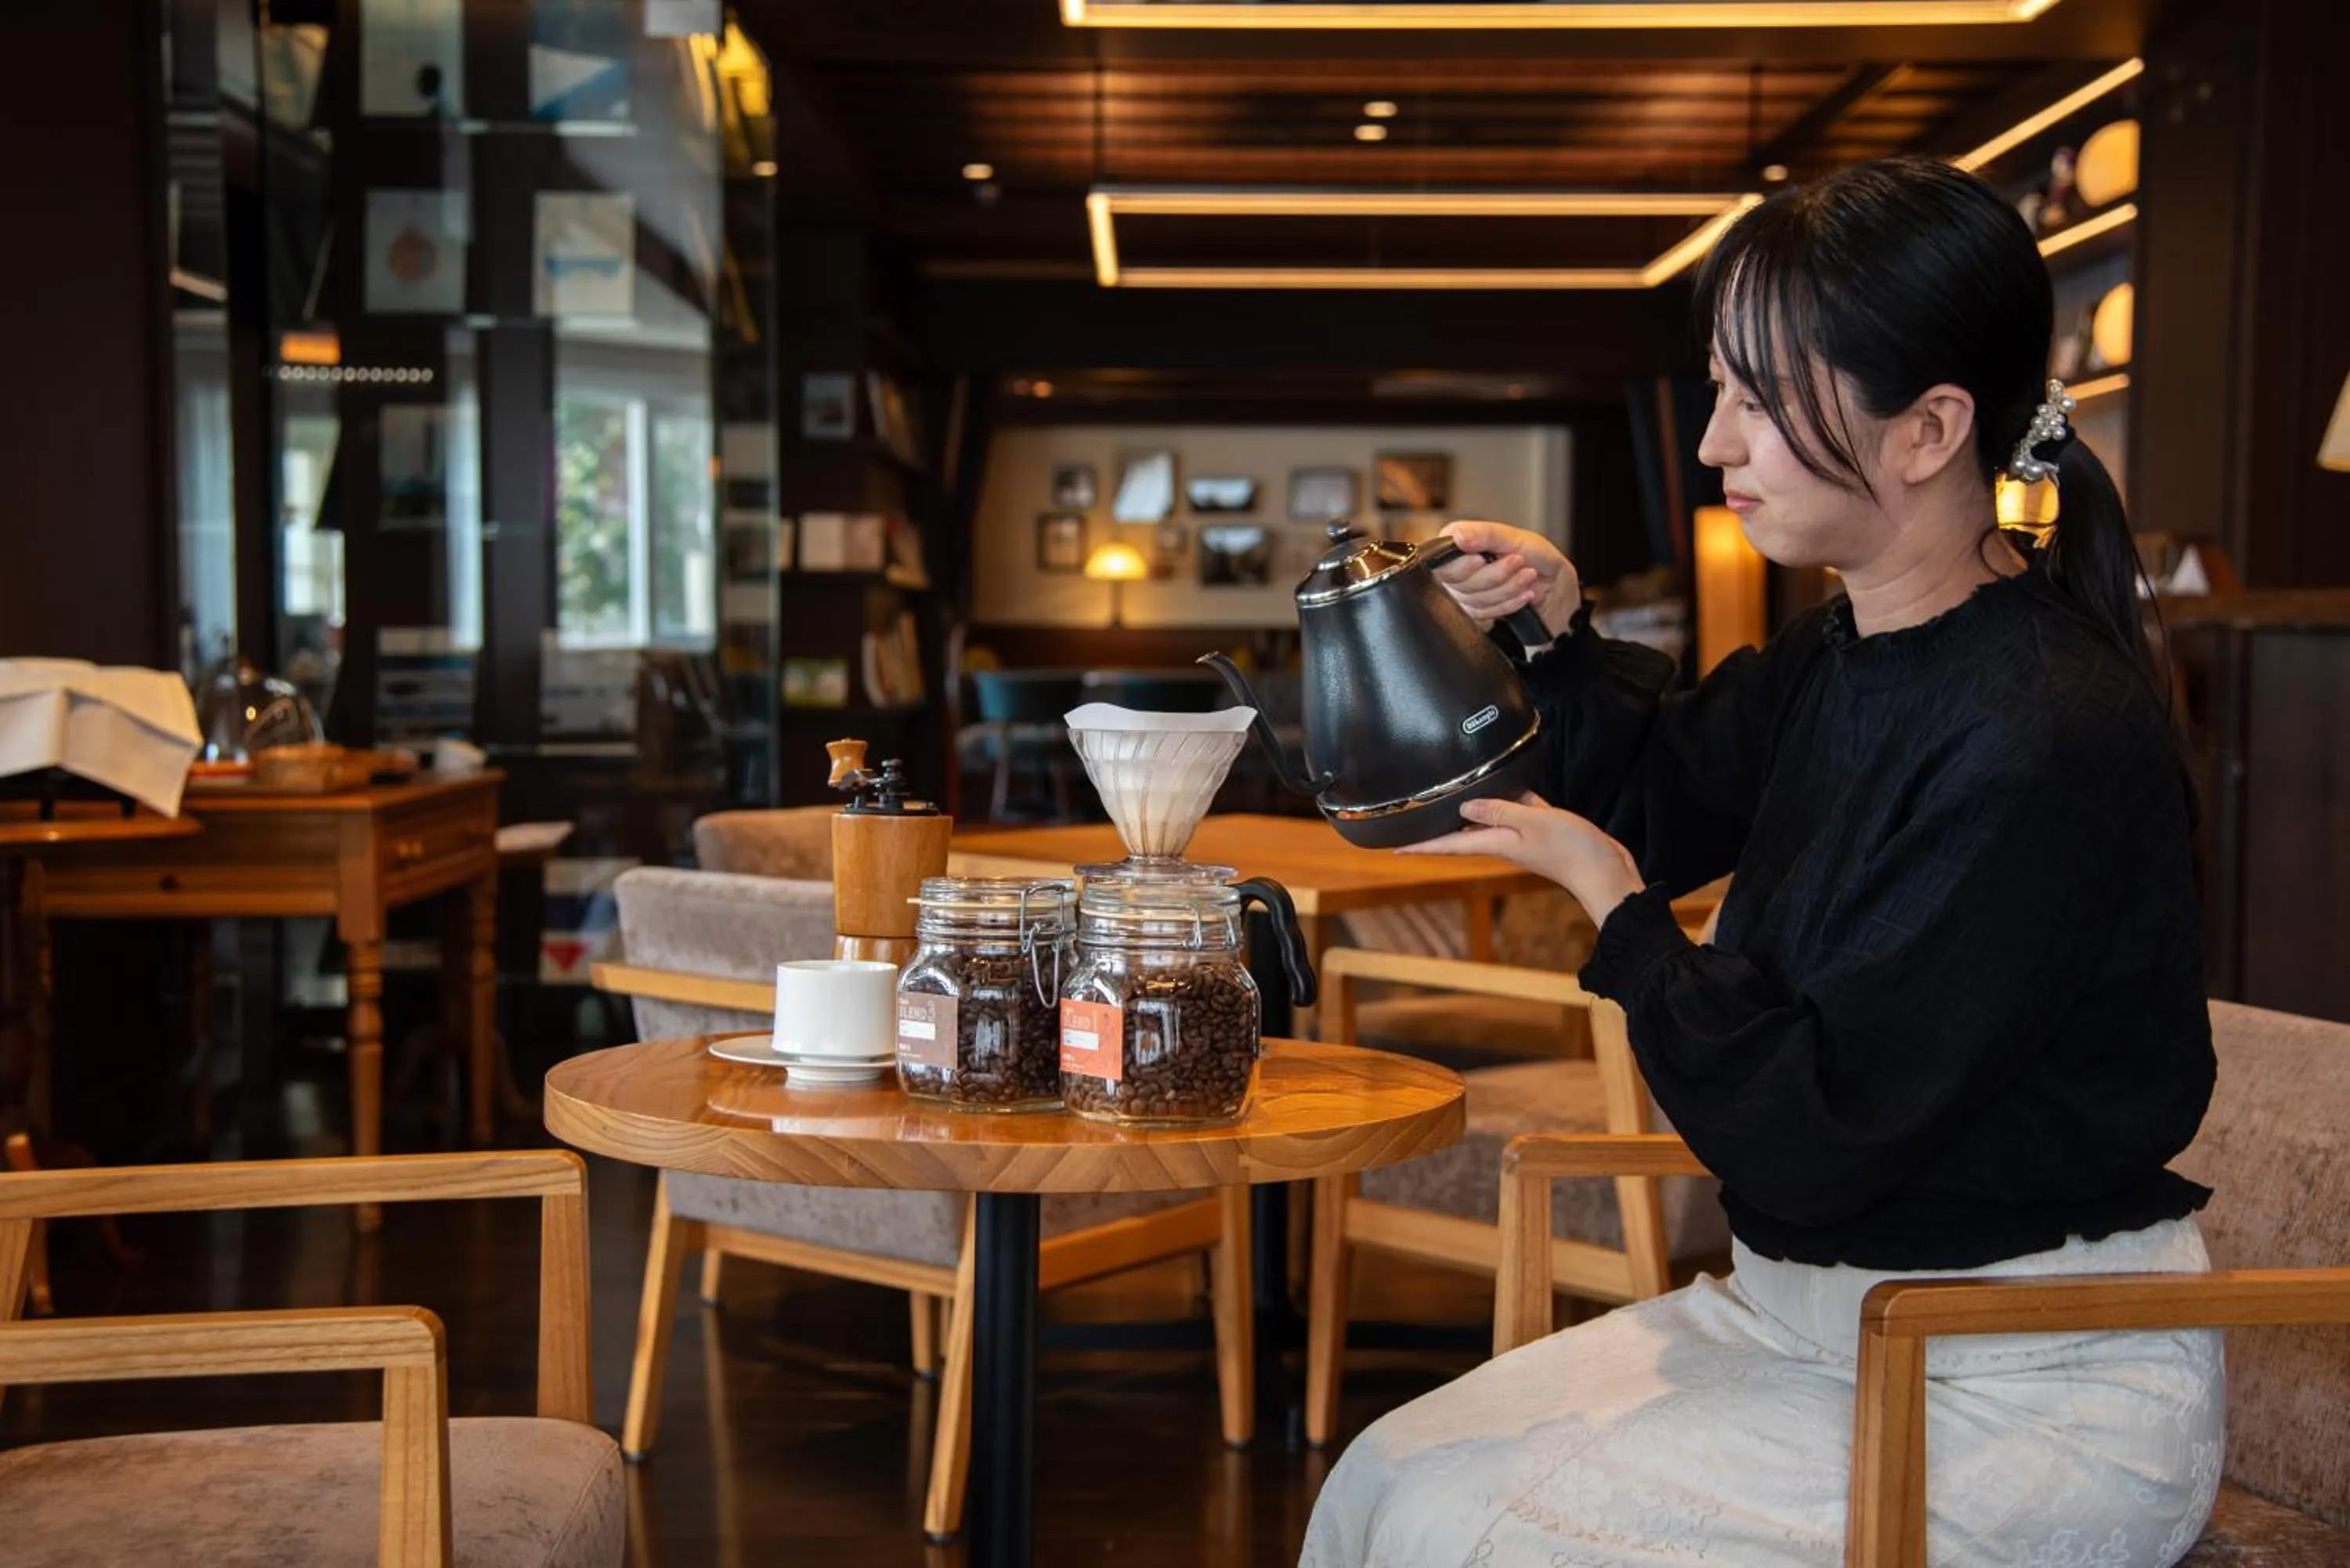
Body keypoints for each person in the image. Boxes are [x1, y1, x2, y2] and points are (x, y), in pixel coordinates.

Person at [1300, 156, 2222, 1568]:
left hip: (2015, 1371)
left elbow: (1812, 1126)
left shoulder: (2045, 735)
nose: (1717, 445)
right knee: (1386, 1478)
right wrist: (1557, 624)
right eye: (1720, 392)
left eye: (1758, 401)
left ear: (1929, 430)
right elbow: (1668, 800)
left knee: (1465, 1539)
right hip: (1815, 1316)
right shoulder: (1841, 654)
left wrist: (1617, 910)